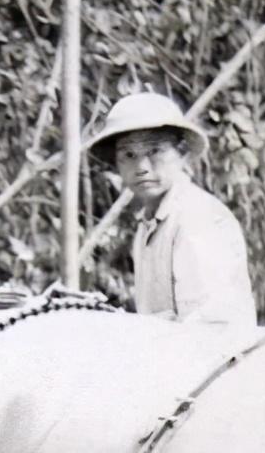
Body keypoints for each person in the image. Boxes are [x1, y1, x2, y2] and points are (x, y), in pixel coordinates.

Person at [88, 92, 256, 326]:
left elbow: (210, 327)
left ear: (182, 154)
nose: (142, 167)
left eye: (154, 151)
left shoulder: (197, 217)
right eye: (129, 155)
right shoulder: (149, 224)